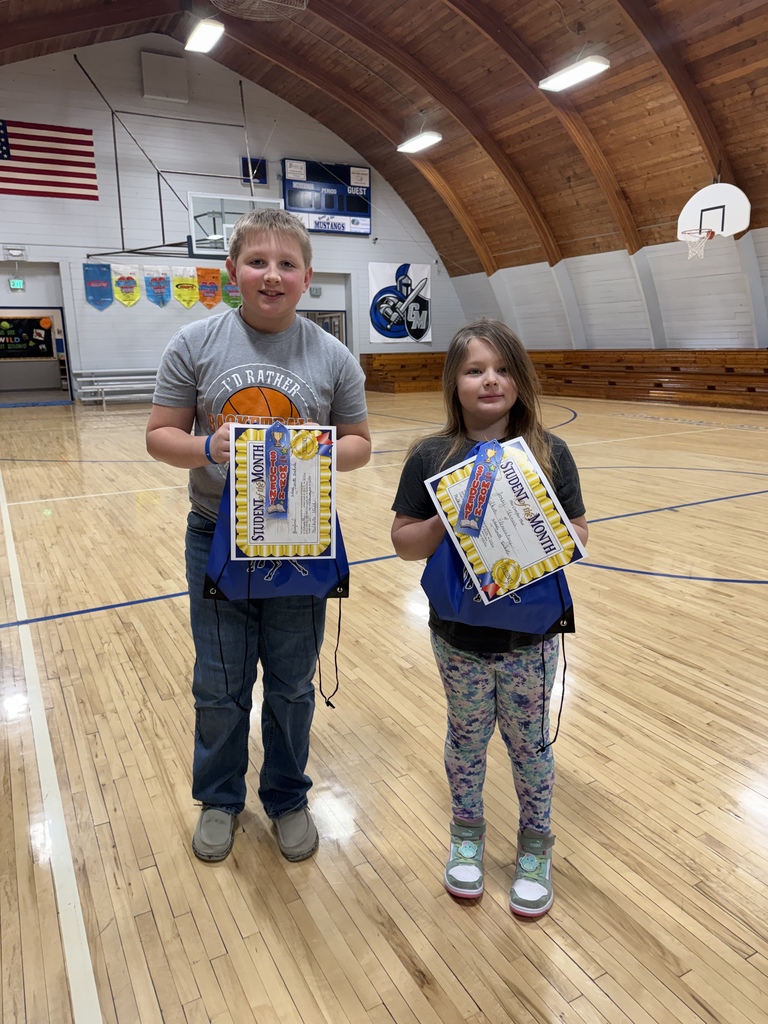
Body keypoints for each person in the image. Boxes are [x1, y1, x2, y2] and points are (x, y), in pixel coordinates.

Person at [146, 209, 371, 864]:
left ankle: (287, 797)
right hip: (215, 535)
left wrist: (314, 452)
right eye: (258, 261)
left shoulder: (333, 356)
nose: (272, 274)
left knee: (294, 683)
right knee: (219, 682)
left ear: (307, 279)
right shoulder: (193, 344)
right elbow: (161, 437)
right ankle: (219, 798)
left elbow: (359, 444)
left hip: (298, 541)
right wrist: (205, 445)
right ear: (232, 273)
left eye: (287, 264)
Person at [390, 317, 588, 917]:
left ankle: (535, 845)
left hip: (530, 636)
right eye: (475, 370)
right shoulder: (431, 454)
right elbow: (403, 541)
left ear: (521, 381)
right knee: (467, 739)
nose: (490, 380)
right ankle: (467, 835)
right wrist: (449, 517)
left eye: (502, 369)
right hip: (458, 636)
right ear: (454, 382)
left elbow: (579, 532)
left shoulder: (549, 453)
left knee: (530, 746)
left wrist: (545, 531)